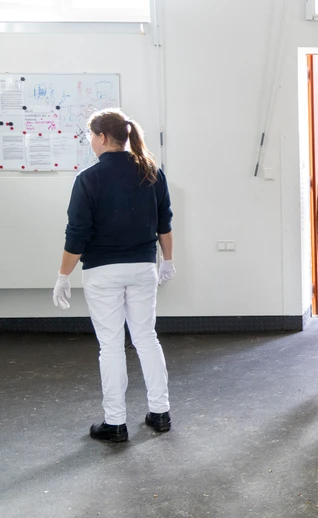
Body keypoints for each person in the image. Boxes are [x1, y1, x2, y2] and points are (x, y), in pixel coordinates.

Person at [52, 108, 175, 442]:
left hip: (102, 272)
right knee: (146, 337)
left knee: (111, 346)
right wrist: (168, 260)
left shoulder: (88, 179)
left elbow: (76, 233)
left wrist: (63, 276)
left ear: (103, 137)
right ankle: (160, 413)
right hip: (142, 267)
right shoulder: (152, 172)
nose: (90, 141)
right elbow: (165, 220)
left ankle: (115, 423)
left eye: (91, 135)